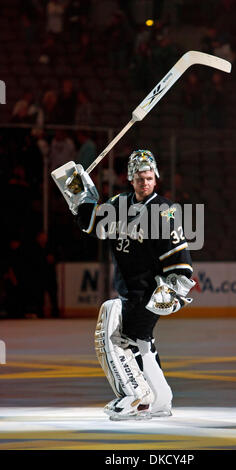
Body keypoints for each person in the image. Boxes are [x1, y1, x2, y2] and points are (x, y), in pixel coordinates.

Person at [57, 150, 195, 420]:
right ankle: (160, 399)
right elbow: (92, 223)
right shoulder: (119, 204)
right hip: (128, 290)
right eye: (140, 178)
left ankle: (136, 398)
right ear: (131, 179)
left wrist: (175, 290)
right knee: (141, 344)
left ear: (156, 178)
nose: (145, 183)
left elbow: (180, 260)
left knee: (115, 334)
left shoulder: (164, 212)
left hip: (152, 293)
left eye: (149, 178)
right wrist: (78, 195)